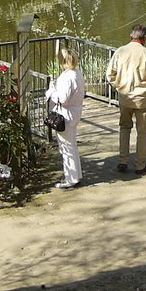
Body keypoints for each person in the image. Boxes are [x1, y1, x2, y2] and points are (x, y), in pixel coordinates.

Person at [106, 24, 146, 175]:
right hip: (142, 99)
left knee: (124, 128)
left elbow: (109, 75)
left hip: (125, 98)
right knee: (143, 133)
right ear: (144, 38)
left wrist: (118, 87)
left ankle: (122, 161)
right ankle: (140, 165)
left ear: (131, 36)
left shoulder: (120, 51)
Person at [45, 47, 85, 189]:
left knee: (66, 147)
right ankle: (75, 175)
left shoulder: (67, 77)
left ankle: (71, 178)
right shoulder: (77, 73)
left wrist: (51, 92)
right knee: (71, 145)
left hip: (66, 114)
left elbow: (63, 99)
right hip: (74, 112)